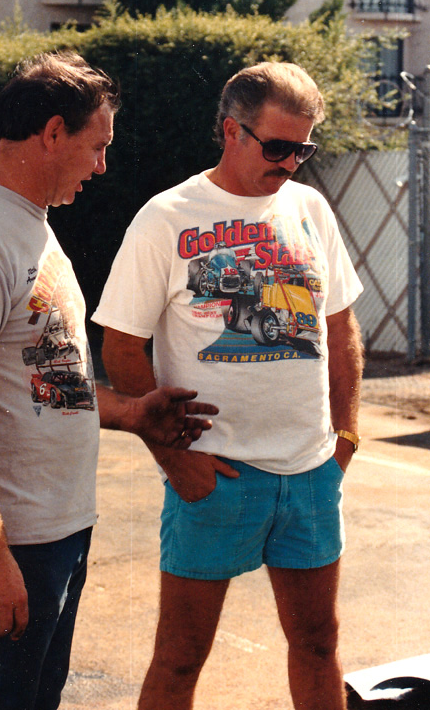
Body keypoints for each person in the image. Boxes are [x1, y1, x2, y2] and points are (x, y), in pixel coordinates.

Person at [0, 51, 218, 710]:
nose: (102, 166)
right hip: (9, 543)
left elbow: (42, 377)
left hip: (54, 534)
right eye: (97, 146)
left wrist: (131, 412)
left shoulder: (28, 228)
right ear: (52, 133)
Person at [93, 61, 364, 710]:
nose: (291, 163)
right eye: (278, 147)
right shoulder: (167, 217)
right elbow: (121, 347)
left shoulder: (310, 209)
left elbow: (342, 329)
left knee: (319, 643)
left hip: (310, 475)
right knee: (180, 658)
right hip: (216, 478)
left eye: (303, 150)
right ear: (231, 131)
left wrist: (346, 437)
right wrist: (174, 458)